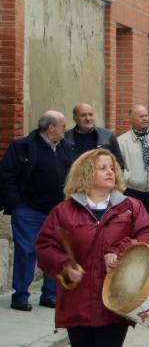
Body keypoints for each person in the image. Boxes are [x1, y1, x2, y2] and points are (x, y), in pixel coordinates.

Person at [35, 149, 149, 347]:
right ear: (85, 173)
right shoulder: (64, 211)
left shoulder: (131, 207)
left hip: (116, 300)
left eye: (112, 167)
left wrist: (121, 250)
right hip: (78, 302)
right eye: (102, 168)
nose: (110, 172)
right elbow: (45, 246)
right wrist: (65, 266)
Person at [0, 111, 76, 311]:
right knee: (26, 251)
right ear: (51, 127)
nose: (65, 129)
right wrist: (16, 204)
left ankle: (50, 295)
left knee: (55, 252)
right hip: (28, 210)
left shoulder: (66, 148)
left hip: (58, 211)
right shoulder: (22, 147)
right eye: (62, 125)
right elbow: (6, 176)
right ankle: (20, 296)